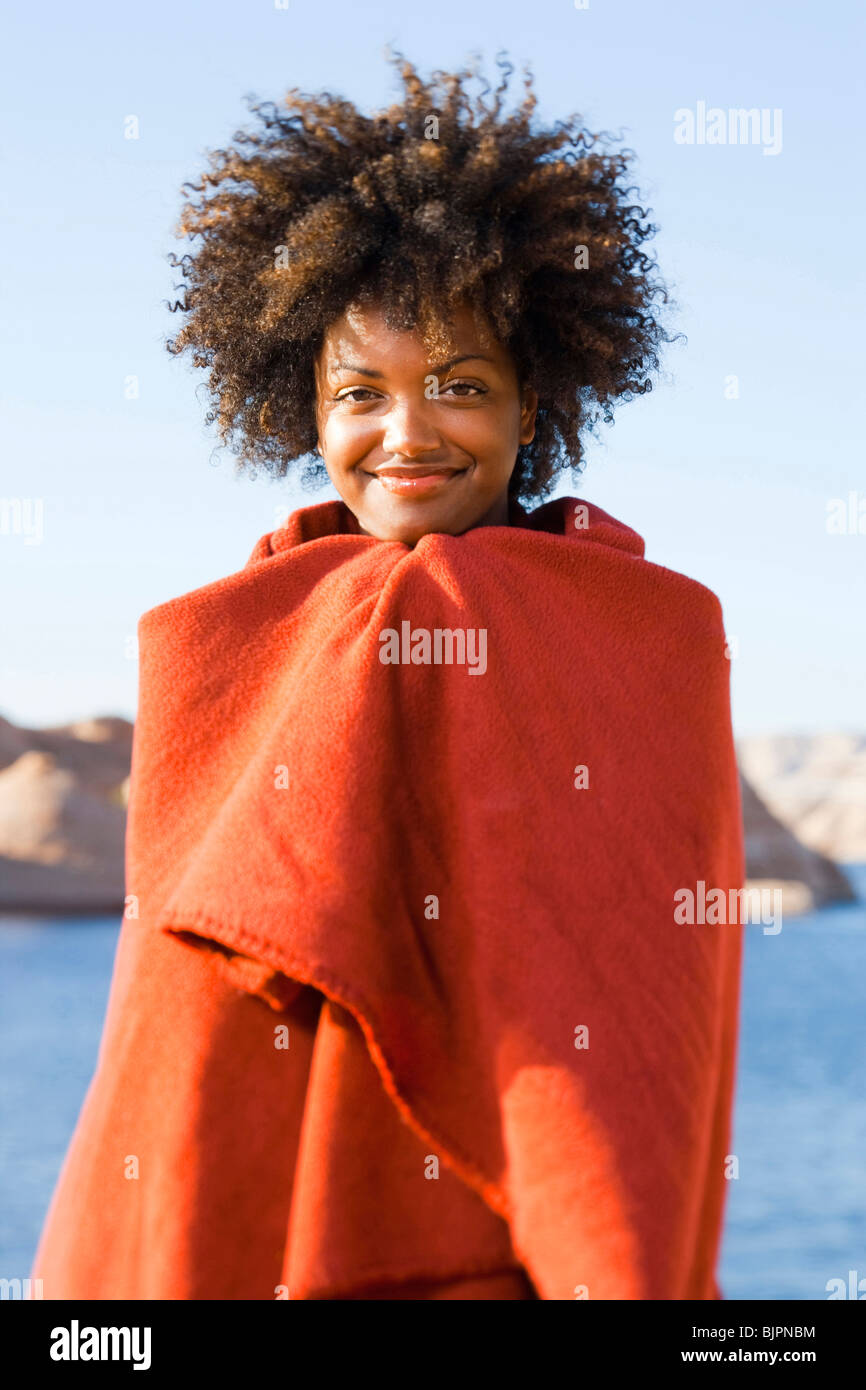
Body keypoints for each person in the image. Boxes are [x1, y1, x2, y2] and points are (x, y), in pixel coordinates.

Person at [31, 50, 744, 1301]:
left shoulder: (641, 640)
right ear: (305, 411)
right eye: (361, 391)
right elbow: (167, 1050)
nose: (407, 433)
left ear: (537, 407)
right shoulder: (218, 647)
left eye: (461, 387)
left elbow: (633, 1024)